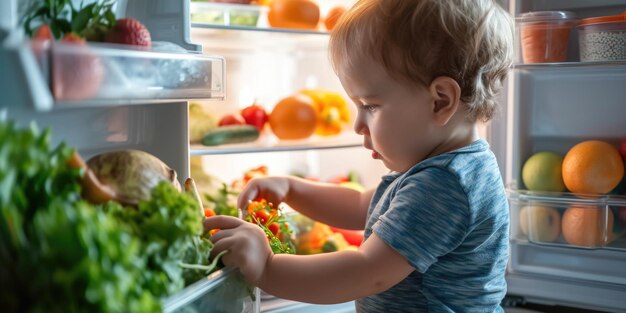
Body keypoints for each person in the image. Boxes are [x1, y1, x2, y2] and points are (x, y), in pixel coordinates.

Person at [203, 0, 514, 311]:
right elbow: (361, 204)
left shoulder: (446, 184)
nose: (357, 124)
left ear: (440, 102)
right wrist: (292, 188)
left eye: (370, 106)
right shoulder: (442, 166)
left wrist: (267, 268)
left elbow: (368, 272)